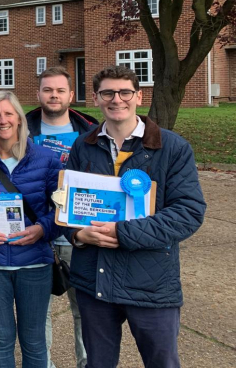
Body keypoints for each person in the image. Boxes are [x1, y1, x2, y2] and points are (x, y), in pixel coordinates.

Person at [65, 66, 206, 368]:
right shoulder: (82, 146)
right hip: (94, 281)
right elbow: (67, 207)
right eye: (108, 93)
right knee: (98, 364)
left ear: (139, 96)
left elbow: (188, 213)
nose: (117, 99)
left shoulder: (172, 147)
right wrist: (77, 235)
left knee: (162, 362)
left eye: (125, 92)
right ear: (96, 98)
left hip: (151, 281)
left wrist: (122, 233)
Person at [0, 91, 62, 368]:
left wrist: (42, 229)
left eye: (8, 113)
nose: (2, 120)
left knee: (34, 340)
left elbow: (61, 210)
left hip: (34, 264)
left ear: (19, 118)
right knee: (0, 340)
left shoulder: (47, 160)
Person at [25, 67, 96, 368]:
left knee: (85, 309)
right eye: (47, 90)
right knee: (37, 311)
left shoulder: (91, 132)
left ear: (71, 95)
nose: (53, 95)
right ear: (38, 93)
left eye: (60, 90)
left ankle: (87, 362)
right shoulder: (21, 129)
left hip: (76, 230)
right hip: (35, 230)